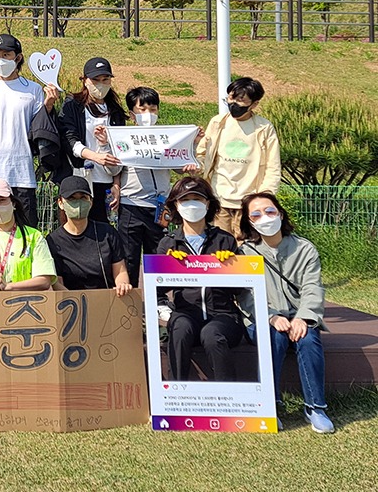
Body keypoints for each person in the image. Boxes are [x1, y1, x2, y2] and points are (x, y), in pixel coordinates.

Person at [238, 192, 335, 433]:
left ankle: (316, 407)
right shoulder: (244, 252)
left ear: (280, 214)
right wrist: (270, 316)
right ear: (250, 222)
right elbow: (245, 296)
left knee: (309, 338)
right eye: (257, 214)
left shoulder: (304, 249)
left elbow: (312, 287)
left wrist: (304, 317)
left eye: (270, 211)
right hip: (262, 317)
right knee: (275, 337)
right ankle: (269, 405)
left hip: (298, 314)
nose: (265, 218)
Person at [156, 176, 244, 382]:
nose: (192, 204)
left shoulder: (225, 240)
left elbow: (240, 289)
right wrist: (170, 269)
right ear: (175, 206)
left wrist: (231, 267)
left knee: (212, 334)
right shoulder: (168, 244)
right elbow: (157, 291)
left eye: (198, 198)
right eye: (185, 200)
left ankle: (229, 398)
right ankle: (177, 395)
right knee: (179, 329)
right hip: (186, 314)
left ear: (208, 204)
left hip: (223, 315)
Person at [0, 33, 54, 226]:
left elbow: (38, 129)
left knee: (26, 230)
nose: (0, 60)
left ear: (18, 57)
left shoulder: (33, 89)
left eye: (6, 55)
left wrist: (48, 105)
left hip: (22, 174)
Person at [190, 77, 281, 240]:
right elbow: (202, 155)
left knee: (247, 252)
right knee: (221, 251)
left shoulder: (264, 128)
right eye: (231, 98)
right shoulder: (218, 123)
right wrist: (196, 167)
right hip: (220, 201)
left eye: (241, 100)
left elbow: (272, 167)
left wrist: (264, 197)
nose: (233, 104)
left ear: (254, 104)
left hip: (250, 203)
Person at [57, 56, 126, 224]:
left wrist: (116, 184)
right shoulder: (73, 104)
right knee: (75, 226)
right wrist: (95, 157)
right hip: (79, 179)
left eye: (105, 79)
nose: (100, 84)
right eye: (95, 79)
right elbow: (69, 139)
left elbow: (121, 149)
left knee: (102, 229)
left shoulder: (115, 111)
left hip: (106, 181)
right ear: (85, 80)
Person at [116, 86, 171, 287]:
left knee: (158, 254)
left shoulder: (168, 138)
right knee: (129, 255)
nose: (149, 114)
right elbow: (114, 171)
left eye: (153, 109)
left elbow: (181, 167)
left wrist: (193, 146)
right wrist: (106, 145)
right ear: (132, 114)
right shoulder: (123, 138)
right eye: (143, 109)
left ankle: (160, 299)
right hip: (131, 204)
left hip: (160, 205)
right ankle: (129, 302)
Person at [45, 176, 132, 295]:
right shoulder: (53, 241)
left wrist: (122, 285)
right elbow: (57, 283)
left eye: (83, 198)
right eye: (72, 198)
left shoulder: (108, 233)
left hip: (107, 301)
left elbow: (120, 272)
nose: (78, 203)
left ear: (90, 202)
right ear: (60, 203)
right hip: (71, 304)